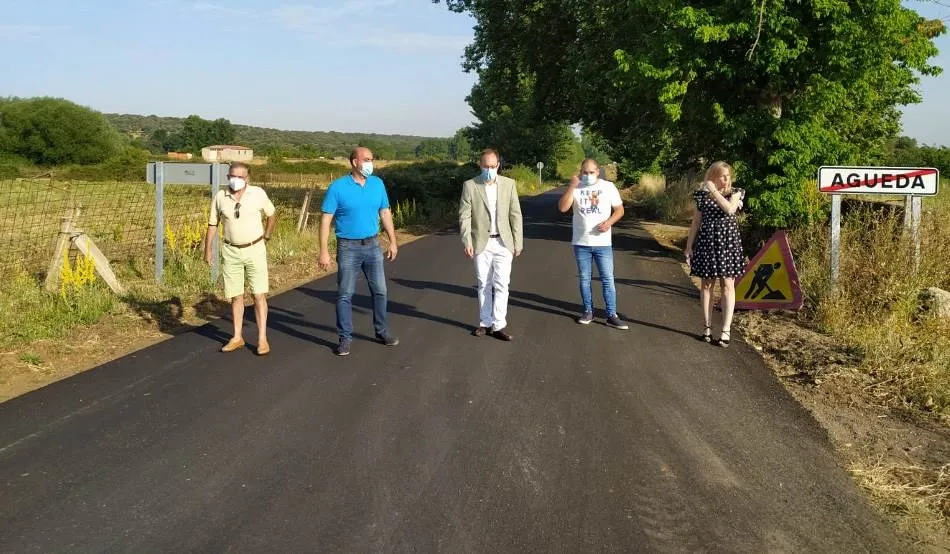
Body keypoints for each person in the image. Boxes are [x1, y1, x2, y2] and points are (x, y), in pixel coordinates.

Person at [318, 147, 399, 356]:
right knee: (345, 294)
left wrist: (393, 241)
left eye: (372, 159)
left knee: (380, 291)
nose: (371, 163)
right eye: (367, 160)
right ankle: (345, 337)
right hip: (348, 247)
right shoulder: (337, 187)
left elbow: (385, 212)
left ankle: (381, 331)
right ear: (355, 162)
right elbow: (326, 220)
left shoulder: (377, 184)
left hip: (373, 245)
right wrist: (324, 251)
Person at [204, 162, 277, 355]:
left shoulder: (258, 193)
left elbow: (271, 214)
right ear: (227, 176)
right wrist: (208, 250)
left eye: (240, 177)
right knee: (236, 295)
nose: (235, 180)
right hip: (230, 250)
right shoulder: (220, 197)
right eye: (231, 176)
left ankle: (262, 339)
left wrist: (267, 235)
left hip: (255, 248)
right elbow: (212, 224)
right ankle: (237, 337)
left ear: (247, 179)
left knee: (258, 294)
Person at [459, 148, 524, 341]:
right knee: (483, 283)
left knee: (502, 284)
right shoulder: (470, 185)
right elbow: (464, 216)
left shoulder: (509, 184)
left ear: (498, 165)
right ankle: (484, 322)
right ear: (480, 165)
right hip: (481, 242)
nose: (489, 169)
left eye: (493, 166)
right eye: (486, 166)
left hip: (504, 242)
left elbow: (515, 214)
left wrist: (517, 241)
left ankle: (498, 324)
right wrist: (466, 240)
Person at [558, 159, 629, 329]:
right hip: (581, 242)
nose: (588, 175)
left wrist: (609, 222)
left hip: (602, 242)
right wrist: (571, 187)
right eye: (585, 172)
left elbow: (620, 210)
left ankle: (611, 314)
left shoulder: (608, 187)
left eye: (591, 172)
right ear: (580, 172)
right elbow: (562, 208)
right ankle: (588, 310)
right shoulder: (577, 187)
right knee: (584, 279)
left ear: (598, 172)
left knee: (607, 279)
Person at [684, 161, 746, 347]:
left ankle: (726, 330)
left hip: (728, 244)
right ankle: (707, 327)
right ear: (712, 177)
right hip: (707, 243)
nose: (726, 179)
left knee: (727, 285)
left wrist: (713, 191)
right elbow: (696, 223)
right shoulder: (702, 196)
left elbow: (729, 209)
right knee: (706, 285)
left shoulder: (736, 193)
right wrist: (689, 246)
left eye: (728, 175)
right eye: (722, 175)